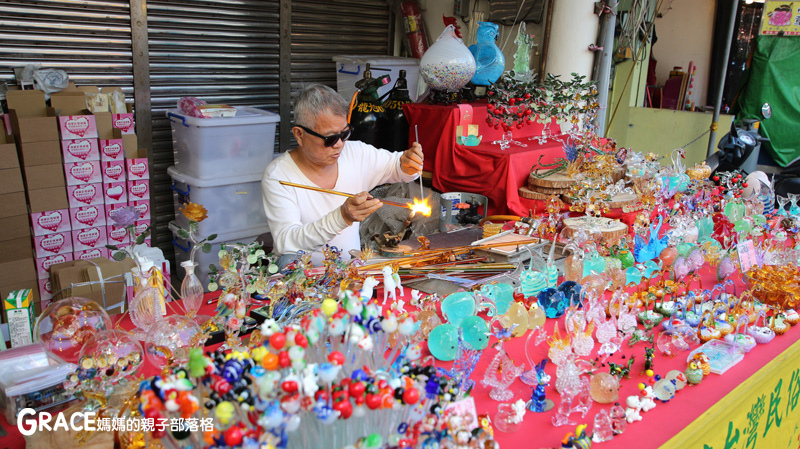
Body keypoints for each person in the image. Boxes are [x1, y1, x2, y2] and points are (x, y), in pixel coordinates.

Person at [262, 84, 424, 267]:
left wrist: (409, 164)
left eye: (345, 133)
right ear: (299, 135)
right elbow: (287, 243)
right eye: (330, 138)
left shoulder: (355, 153)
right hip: (300, 277)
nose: (339, 144)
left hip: (348, 274)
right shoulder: (279, 175)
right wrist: (342, 217)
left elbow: (397, 166)